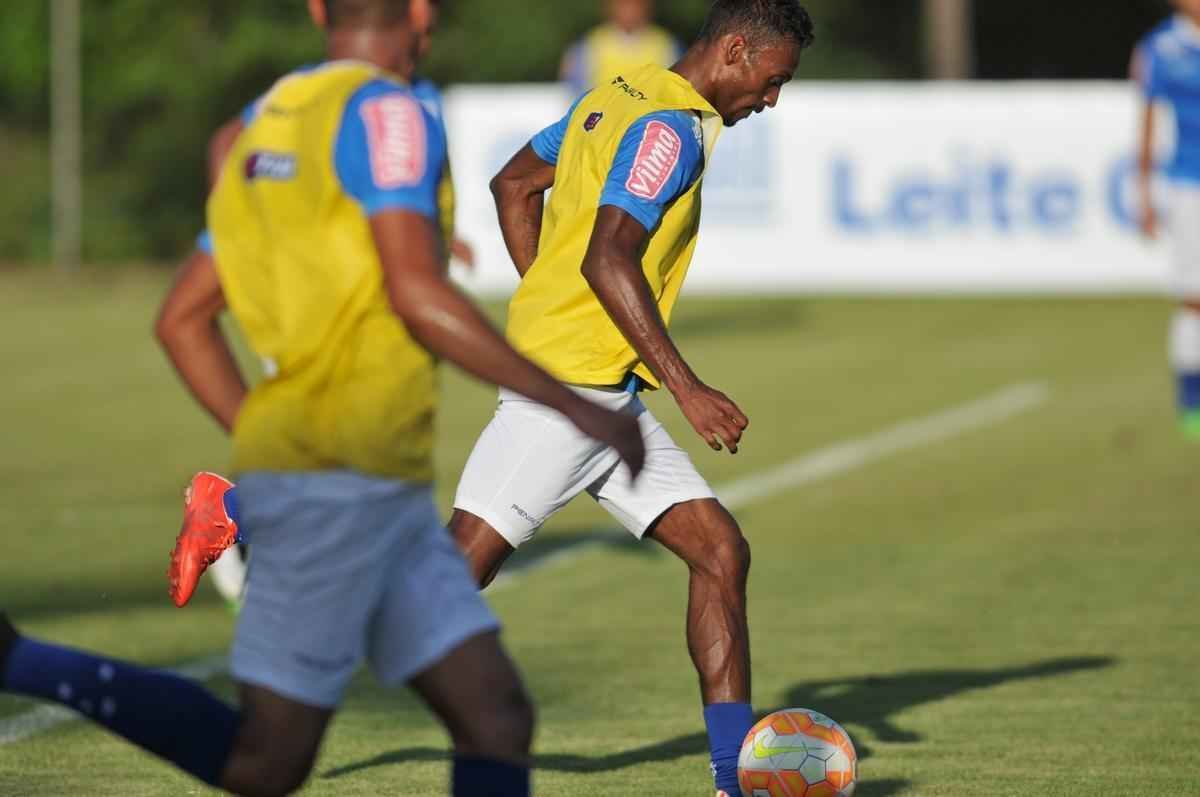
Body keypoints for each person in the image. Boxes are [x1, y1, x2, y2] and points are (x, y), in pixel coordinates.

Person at [2, 2, 646, 795]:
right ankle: (18, 658)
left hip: (354, 483)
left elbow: (182, 319)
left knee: (489, 718)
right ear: (417, 13)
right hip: (344, 488)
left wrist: (273, 437)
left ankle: (17, 657)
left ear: (315, 10)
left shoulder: (270, 119)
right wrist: (578, 407)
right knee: (277, 757)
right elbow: (415, 290)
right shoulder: (392, 109)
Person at [169, 1, 814, 794]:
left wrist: (546, 303)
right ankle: (243, 516)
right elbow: (611, 254)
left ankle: (732, 777)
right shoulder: (669, 131)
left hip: (600, 388)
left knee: (720, 552)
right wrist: (689, 387)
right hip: (571, 396)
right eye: (772, 81)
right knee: (439, 585)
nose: (770, 100)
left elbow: (514, 184)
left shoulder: (617, 93)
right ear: (737, 52)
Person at [187, 0, 471, 611]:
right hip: (327, 313)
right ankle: (249, 534)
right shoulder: (328, 93)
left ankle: (238, 515)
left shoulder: (412, 93)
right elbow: (229, 145)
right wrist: (242, 227)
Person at [1135, 0, 1200, 439]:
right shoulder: (1160, 48)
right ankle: (1191, 398)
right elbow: (1148, 120)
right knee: (1195, 295)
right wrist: (1143, 190)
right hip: (1189, 184)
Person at [560, 0, 682, 95]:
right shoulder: (588, 46)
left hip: (651, 121)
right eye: (623, 4)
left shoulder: (666, 45)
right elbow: (576, 91)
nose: (629, 10)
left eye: (635, 4)